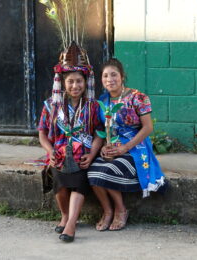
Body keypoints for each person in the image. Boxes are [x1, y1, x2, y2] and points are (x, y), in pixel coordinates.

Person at [88, 58, 167, 231]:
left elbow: (148, 128)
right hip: (112, 146)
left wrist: (125, 147)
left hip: (134, 148)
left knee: (108, 171)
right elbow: (101, 129)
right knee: (92, 173)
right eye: (106, 76)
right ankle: (108, 211)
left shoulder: (138, 98)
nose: (110, 79)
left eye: (114, 75)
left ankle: (121, 210)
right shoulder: (103, 101)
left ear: (122, 77)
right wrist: (103, 147)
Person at [38, 42, 103, 243]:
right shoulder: (51, 106)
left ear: (85, 82)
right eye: (71, 82)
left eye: (79, 81)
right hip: (59, 154)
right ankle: (65, 215)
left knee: (80, 178)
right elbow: (42, 133)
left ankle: (71, 224)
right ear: (63, 84)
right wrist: (50, 152)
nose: (75, 86)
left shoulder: (93, 106)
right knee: (57, 174)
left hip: (83, 154)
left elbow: (100, 134)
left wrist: (91, 155)